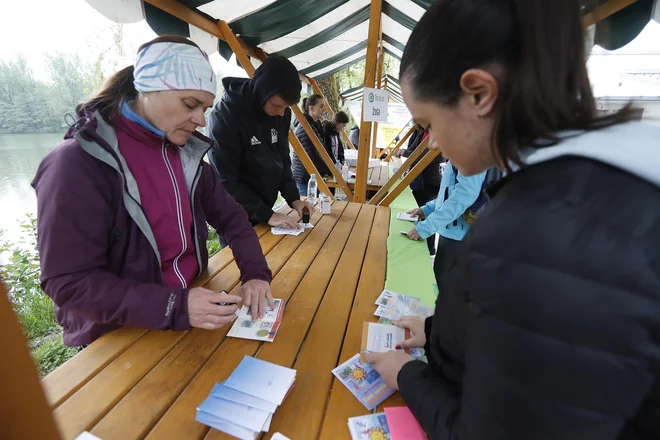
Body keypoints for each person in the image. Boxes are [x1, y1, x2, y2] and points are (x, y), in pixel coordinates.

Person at [363, 1, 660, 439]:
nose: (435, 145)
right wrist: (435, 331)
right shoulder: (610, 181)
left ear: (478, 94)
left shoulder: (530, 233)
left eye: (428, 124)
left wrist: (407, 375)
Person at [32, 36, 275, 348]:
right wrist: (174, 304)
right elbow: (69, 284)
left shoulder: (186, 153)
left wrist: (255, 273)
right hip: (118, 334)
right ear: (146, 89)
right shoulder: (76, 164)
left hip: (191, 307)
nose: (201, 120)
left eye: (205, 108)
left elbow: (233, 219)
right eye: (190, 104)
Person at [207, 55, 314, 232]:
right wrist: (267, 214)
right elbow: (225, 180)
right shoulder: (224, 117)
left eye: (285, 108)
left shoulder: (281, 113)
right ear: (262, 91)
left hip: (265, 213)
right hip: (234, 215)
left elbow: (282, 159)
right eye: (276, 105)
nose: (282, 113)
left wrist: (294, 199)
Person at [406, 160, 485, 282]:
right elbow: (450, 193)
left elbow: (462, 198)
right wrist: (426, 210)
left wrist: (426, 227)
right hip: (454, 232)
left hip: (461, 238)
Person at [403, 125, 445, 255]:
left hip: (430, 182)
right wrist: (425, 210)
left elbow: (457, 200)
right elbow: (414, 150)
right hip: (421, 181)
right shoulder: (421, 132)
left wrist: (426, 228)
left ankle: (429, 248)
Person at [291, 94, 330, 196]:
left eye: (324, 107)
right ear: (311, 108)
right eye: (321, 106)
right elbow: (312, 156)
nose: (324, 110)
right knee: (308, 208)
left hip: (312, 175)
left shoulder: (314, 125)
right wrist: (329, 170)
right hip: (304, 177)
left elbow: (323, 150)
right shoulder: (305, 127)